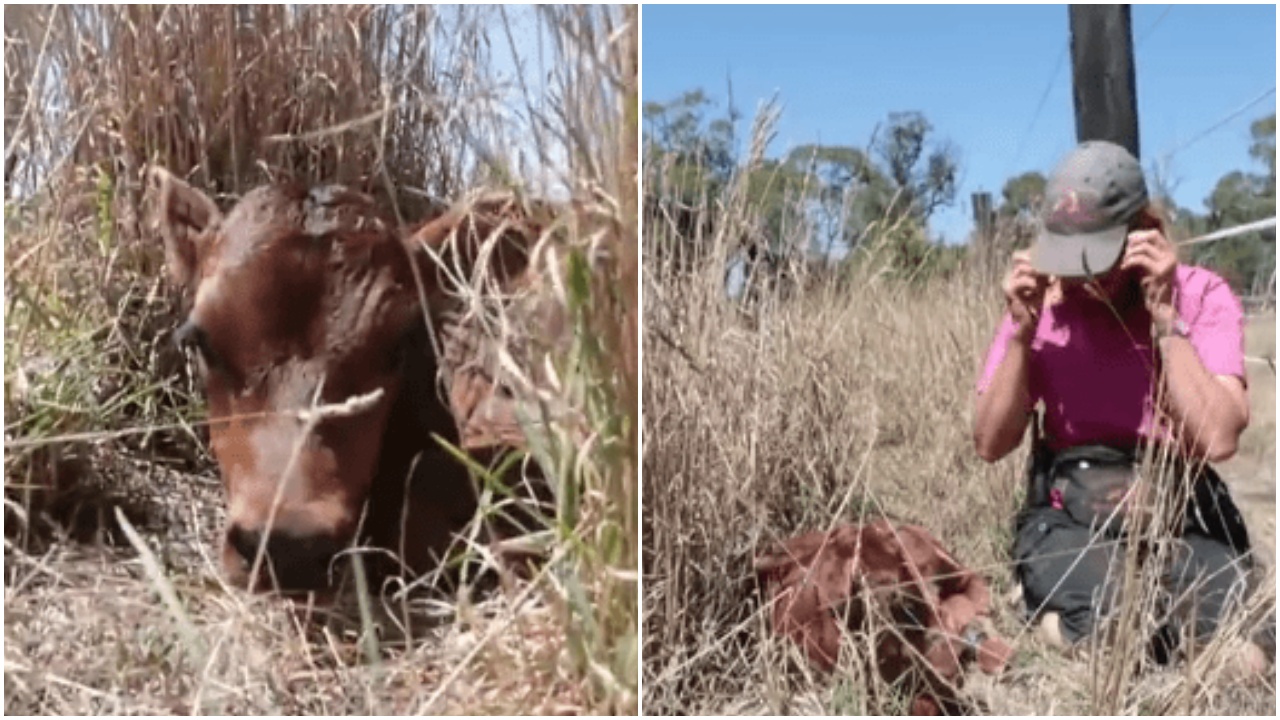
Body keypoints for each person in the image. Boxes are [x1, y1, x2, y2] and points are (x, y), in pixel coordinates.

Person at [972, 140, 1270, 671]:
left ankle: (1169, 621)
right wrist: (1020, 332)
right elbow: (990, 443)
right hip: (1073, 510)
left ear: (1145, 231)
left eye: (1101, 258)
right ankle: (1052, 611)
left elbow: (1219, 439)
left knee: (1244, 656)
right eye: (1072, 258)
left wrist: (1166, 322)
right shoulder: (1041, 307)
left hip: (1181, 510)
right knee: (1117, 633)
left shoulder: (1200, 297)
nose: (1086, 279)